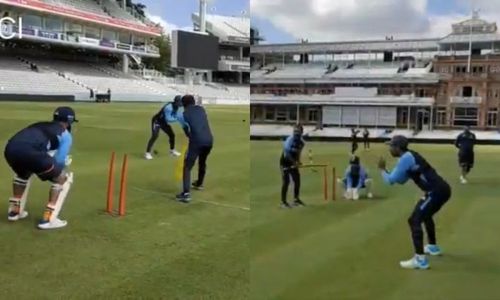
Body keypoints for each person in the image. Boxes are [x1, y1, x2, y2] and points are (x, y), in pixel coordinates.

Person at [378, 135, 451, 270]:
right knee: (425, 215)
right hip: (442, 190)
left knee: (414, 220)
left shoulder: (405, 159)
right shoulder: (410, 156)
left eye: (391, 147)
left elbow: (390, 181)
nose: (390, 149)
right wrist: (388, 173)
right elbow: (401, 180)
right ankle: (433, 247)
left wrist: (382, 170)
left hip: (435, 192)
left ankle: (420, 259)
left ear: (398, 148)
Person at [3, 107, 77, 230]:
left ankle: (15, 211)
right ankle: (48, 219)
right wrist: (60, 166)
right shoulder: (65, 134)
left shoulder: (39, 125)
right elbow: (59, 161)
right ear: (70, 121)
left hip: (10, 149)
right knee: (62, 179)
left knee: (23, 174)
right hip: (32, 153)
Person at [176, 95, 214, 203]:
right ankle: (199, 183)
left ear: (183, 104)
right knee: (202, 161)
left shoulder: (182, 115)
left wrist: (191, 137)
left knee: (187, 166)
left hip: (197, 141)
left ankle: (186, 194)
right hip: (209, 139)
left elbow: (187, 131)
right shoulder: (201, 109)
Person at [145, 95, 183, 160]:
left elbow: (174, 115)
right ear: (176, 102)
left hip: (163, 122)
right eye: (180, 102)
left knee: (172, 135)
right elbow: (169, 119)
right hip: (157, 121)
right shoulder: (169, 107)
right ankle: (147, 153)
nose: (181, 104)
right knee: (155, 136)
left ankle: (172, 150)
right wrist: (178, 119)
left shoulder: (176, 107)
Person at [279, 124, 306, 208]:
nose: (296, 133)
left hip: (293, 162)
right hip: (284, 162)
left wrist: (298, 161)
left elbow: (298, 153)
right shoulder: (289, 140)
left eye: (298, 132)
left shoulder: (301, 143)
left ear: (302, 132)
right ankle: (283, 202)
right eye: (295, 131)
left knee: (297, 180)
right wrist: (294, 162)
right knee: (286, 182)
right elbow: (287, 154)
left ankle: (296, 199)